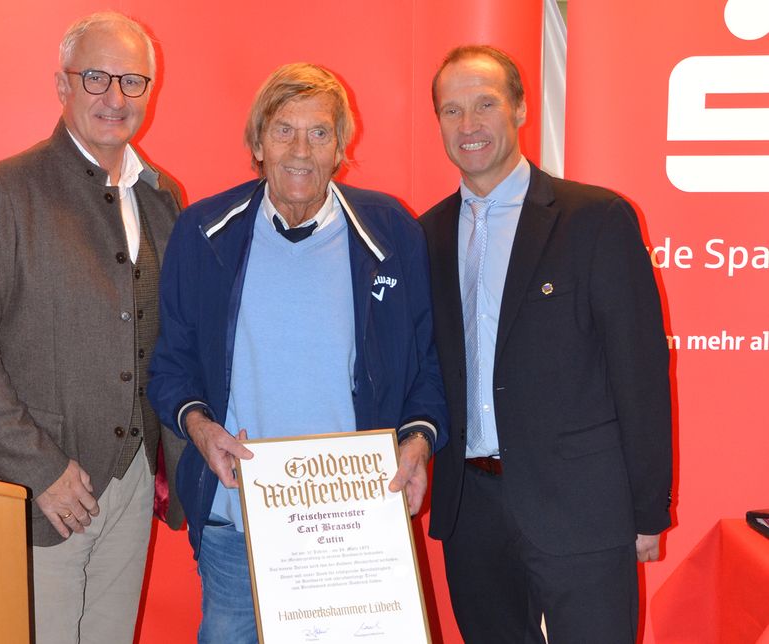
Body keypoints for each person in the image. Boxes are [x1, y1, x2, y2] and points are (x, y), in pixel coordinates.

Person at [148, 62, 448, 643]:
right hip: (238, 527)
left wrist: (417, 443)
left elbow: (427, 370)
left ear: (341, 147)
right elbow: (170, 366)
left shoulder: (390, 234)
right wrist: (201, 428)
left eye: (319, 133)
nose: (301, 151)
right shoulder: (204, 232)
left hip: (355, 531)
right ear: (257, 143)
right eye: (284, 130)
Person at [0, 12, 184, 644]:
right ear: (62, 85)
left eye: (132, 81)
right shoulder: (0, 193)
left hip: (130, 482)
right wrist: (40, 469)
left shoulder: (163, 196)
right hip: (36, 492)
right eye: (96, 77)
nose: (115, 97)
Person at [420, 45, 673, 642]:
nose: (469, 125)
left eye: (485, 104)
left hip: (583, 509)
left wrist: (646, 509)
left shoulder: (595, 219)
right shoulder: (425, 234)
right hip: (471, 513)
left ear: (521, 108)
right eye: (451, 111)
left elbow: (639, 373)